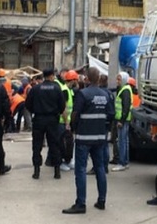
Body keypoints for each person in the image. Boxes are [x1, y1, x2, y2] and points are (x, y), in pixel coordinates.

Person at [62, 67, 115, 214]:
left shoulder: (82, 94)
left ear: (86, 79)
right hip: (100, 138)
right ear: (98, 79)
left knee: (80, 169)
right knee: (100, 169)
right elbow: (111, 114)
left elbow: (75, 114)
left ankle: (81, 203)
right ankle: (101, 200)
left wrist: (73, 128)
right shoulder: (106, 95)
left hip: (84, 138)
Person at [25, 69, 65, 180]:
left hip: (39, 119)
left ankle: (36, 171)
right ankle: (57, 171)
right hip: (52, 120)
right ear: (52, 76)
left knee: (37, 146)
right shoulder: (57, 89)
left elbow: (28, 104)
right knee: (54, 145)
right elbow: (62, 106)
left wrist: (36, 111)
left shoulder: (36, 88)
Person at [112, 71, 133, 172]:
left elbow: (126, 107)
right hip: (124, 119)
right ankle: (125, 161)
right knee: (125, 141)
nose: (117, 81)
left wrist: (121, 120)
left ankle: (122, 163)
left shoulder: (125, 90)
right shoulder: (125, 89)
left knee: (121, 141)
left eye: (119, 79)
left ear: (124, 79)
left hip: (122, 120)